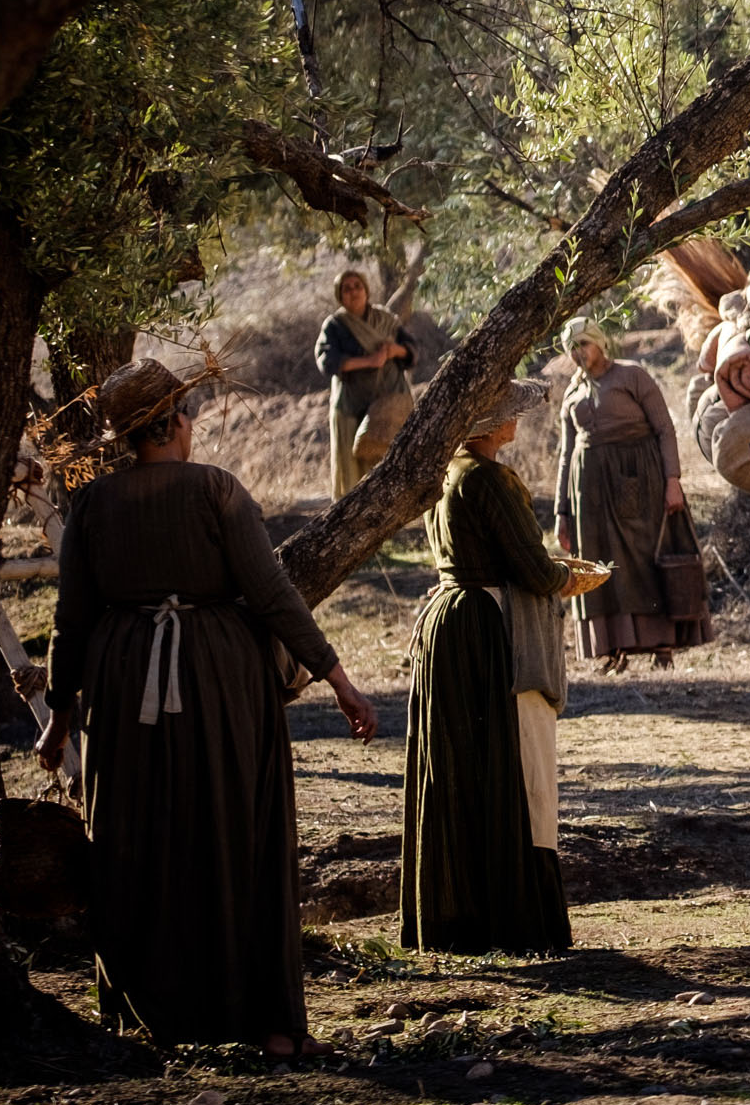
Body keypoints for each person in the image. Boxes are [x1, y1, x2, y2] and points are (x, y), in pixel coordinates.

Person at [32, 358, 380, 1053]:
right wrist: (339, 680)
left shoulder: (94, 506)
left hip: (126, 687)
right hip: (221, 683)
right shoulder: (216, 490)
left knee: (138, 842)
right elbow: (275, 596)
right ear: (178, 420)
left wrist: (61, 720)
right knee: (235, 834)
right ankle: (268, 1024)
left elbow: (71, 626)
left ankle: (150, 1017)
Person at [403, 378, 579, 955]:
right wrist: (567, 579)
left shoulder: (448, 473)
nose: (518, 421)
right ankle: (515, 920)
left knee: (460, 767)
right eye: (510, 413)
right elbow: (532, 568)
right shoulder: (487, 478)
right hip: (483, 629)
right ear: (486, 425)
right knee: (505, 766)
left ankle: (459, 920)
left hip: (448, 623)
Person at [552, 321, 700, 669]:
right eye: (571, 348)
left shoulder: (632, 376)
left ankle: (661, 645)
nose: (579, 353)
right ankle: (613, 648)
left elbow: (664, 428)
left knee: (643, 556)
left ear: (600, 342)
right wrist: (562, 511)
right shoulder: (573, 392)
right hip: (588, 493)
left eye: (584, 344)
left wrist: (672, 479)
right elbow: (565, 451)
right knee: (600, 564)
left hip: (639, 479)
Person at [313, 269, 417, 495]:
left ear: (366, 290)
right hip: (352, 407)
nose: (353, 292)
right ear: (340, 295)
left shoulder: (386, 319)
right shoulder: (335, 326)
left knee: (389, 467)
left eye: (357, 286)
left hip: (387, 408)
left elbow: (412, 352)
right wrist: (368, 361)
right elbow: (327, 363)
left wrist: (392, 351)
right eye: (346, 288)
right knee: (354, 476)